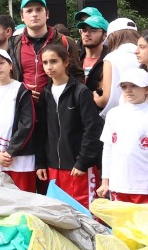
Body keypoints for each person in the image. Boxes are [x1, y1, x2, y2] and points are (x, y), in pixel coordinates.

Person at [36, 43, 103, 206]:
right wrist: (41, 163)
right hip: (53, 167)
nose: (49, 67)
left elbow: (92, 129)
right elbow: (41, 130)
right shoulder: (46, 93)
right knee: (59, 212)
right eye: (45, 63)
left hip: (77, 167)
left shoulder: (81, 92)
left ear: (66, 62)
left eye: (54, 61)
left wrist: (83, 161)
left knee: (84, 212)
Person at [98, 65, 148, 206]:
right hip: (118, 186)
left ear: (147, 89)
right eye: (124, 86)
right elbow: (108, 149)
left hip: (146, 188)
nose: (128, 90)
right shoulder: (113, 114)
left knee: (144, 228)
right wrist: (105, 181)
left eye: (134, 85)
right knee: (121, 227)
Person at [0, 49, 37, 190]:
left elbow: (27, 125)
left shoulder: (21, 90)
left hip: (21, 159)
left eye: (1, 63)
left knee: (24, 200)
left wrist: (11, 151)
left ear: (10, 65)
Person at [8, 0, 77, 97]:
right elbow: (7, 77)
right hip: (24, 106)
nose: (34, 14)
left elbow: (77, 75)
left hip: (57, 105)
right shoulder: (12, 44)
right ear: (22, 16)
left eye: (39, 10)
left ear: (47, 14)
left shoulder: (65, 42)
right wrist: (21, 92)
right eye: (29, 11)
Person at [93, 20, 141, 114]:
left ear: (113, 36)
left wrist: (96, 99)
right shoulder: (146, 55)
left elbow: (105, 99)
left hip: (119, 117)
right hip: (144, 114)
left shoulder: (111, 58)